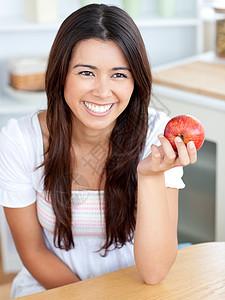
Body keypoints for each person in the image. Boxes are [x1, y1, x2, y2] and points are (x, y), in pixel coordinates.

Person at [0, 4, 197, 298]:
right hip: (55, 289)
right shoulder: (19, 140)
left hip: (135, 289)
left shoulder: (158, 138)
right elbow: (33, 252)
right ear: (61, 75)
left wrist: (151, 177)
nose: (103, 91)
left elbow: (155, 271)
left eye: (119, 75)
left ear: (135, 82)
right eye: (86, 72)